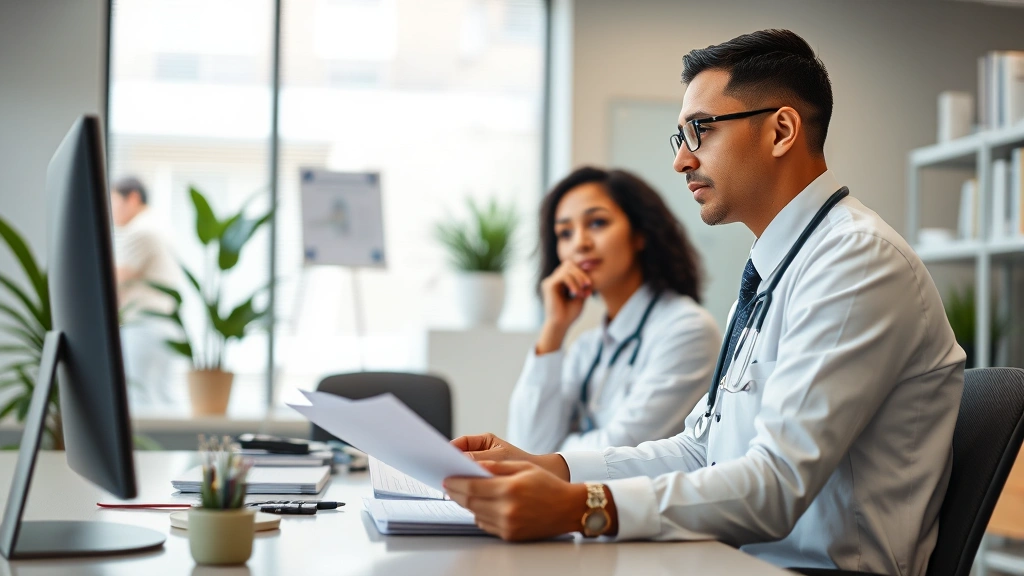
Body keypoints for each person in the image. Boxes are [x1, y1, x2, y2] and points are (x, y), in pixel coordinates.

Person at [443, 29, 965, 575]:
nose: (682, 161)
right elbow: (700, 448)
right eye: (681, 138)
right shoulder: (779, 266)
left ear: (781, 130)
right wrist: (551, 467)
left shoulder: (856, 261)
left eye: (701, 130)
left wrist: (583, 507)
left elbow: (777, 484)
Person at [507, 167, 719, 453]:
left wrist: (554, 450)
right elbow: (526, 446)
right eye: (565, 232)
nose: (579, 243)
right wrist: (554, 329)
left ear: (640, 233)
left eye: (597, 223)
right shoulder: (587, 347)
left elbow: (619, 454)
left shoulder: (687, 330)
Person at [110, 176, 181, 408]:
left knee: (139, 398)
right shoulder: (158, 224)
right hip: (163, 325)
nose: (111, 211)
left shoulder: (140, 231)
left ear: (133, 198)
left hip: (146, 326)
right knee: (161, 397)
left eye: (114, 202)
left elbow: (116, 280)